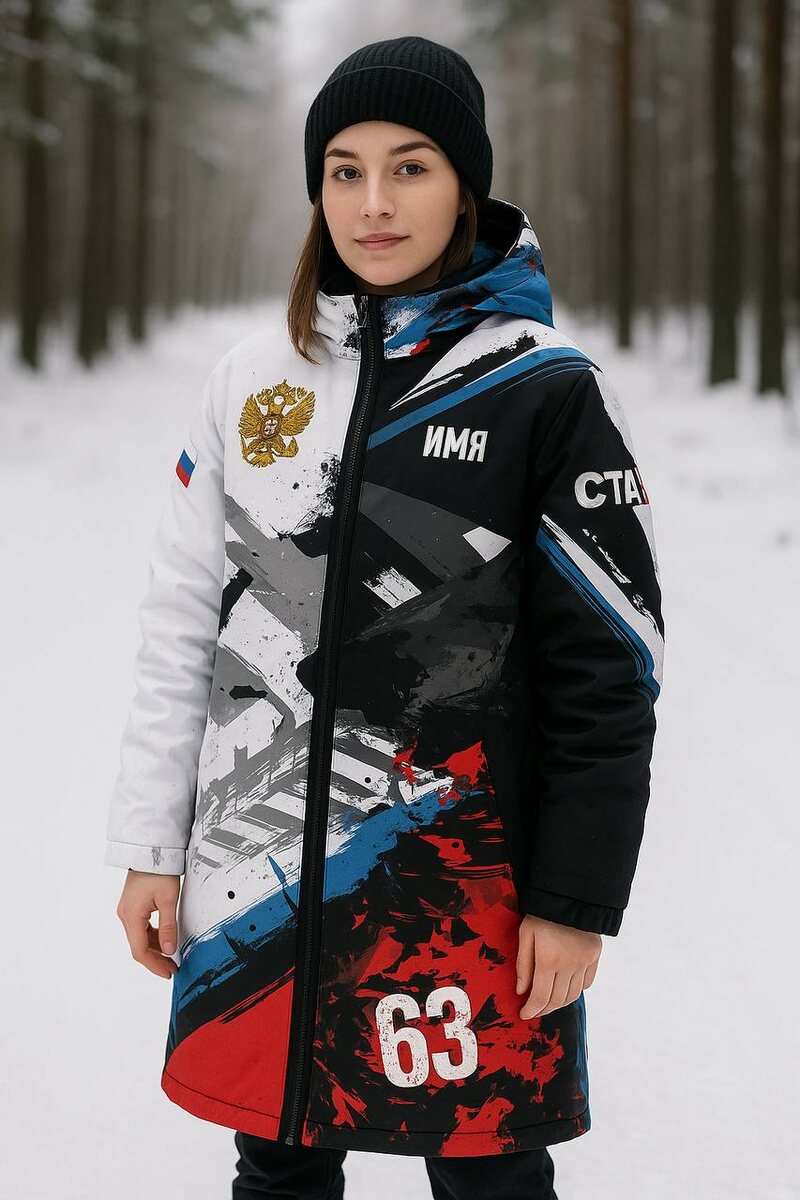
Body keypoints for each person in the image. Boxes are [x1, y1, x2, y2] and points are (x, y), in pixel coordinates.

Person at [105, 34, 665, 1200]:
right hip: (260, 885)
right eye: (344, 170)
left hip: (459, 894)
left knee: (487, 1174)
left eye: (410, 167)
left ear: (465, 185)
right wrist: (153, 849)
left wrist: (573, 902)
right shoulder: (250, 380)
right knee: (277, 1161)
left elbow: (607, 670)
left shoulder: (541, 388)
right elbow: (182, 631)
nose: (373, 202)